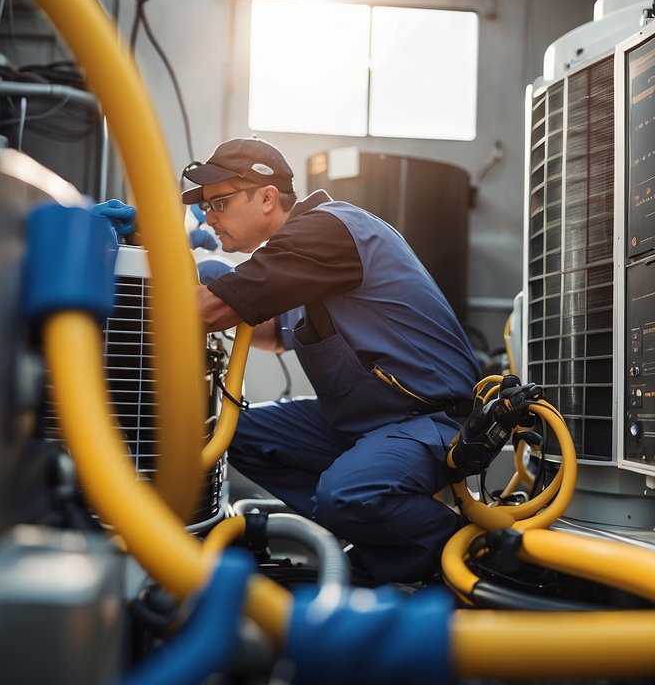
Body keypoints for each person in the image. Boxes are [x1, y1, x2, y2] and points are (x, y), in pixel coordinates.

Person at [180, 136, 480, 585]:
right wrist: (217, 287)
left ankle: (467, 554)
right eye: (205, 208)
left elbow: (209, 311)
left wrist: (123, 282)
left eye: (219, 203)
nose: (210, 218)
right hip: (364, 421)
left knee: (344, 494)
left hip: (427, 419)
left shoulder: (327, 231)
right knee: (234, 434)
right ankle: (381, 538)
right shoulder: (298, 255)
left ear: (265, 198)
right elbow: (273, 335)